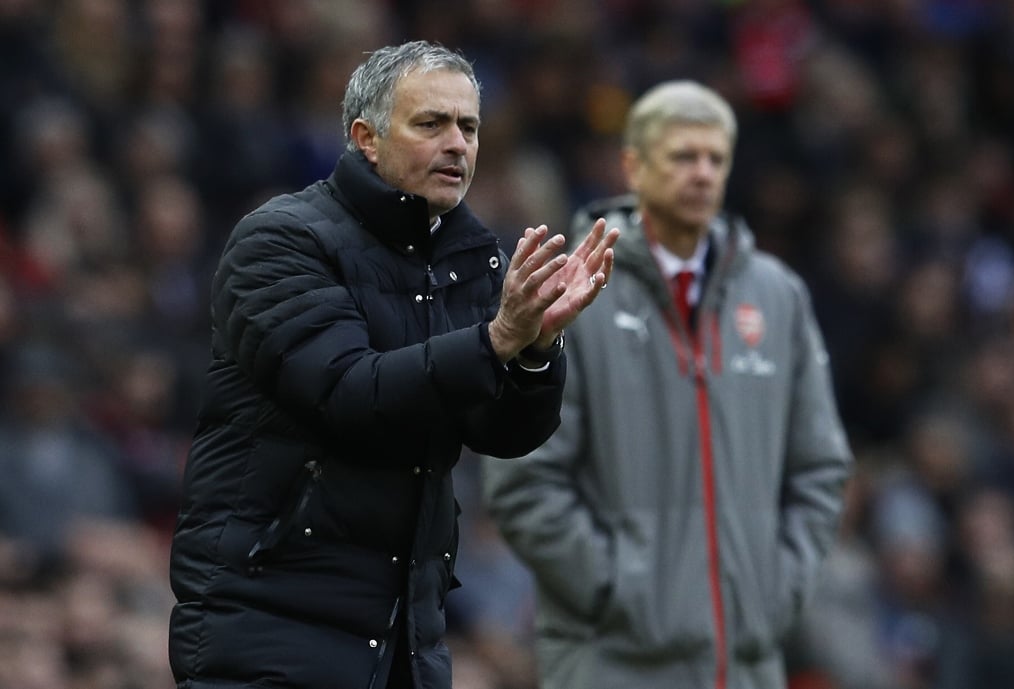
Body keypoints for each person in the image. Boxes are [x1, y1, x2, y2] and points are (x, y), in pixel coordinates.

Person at [167, 40, 617, 689]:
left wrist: (537, 349)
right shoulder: (280, 239)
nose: (457, 143)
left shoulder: (468, 256)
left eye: (468, 126)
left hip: (405, 636)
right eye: (431, 123)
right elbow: (351, 393)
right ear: (366, 138)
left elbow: (504, 431)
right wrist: (496, 341)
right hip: (271, 623)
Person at [481, 80, 853, 689]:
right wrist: (616, 590)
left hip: (745, 660)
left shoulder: (777, 295)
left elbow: (821, 468)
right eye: (683, 156)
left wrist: (774, 590)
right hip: (611, 661)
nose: (702, 173)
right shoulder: (571, 292)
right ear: (633, 165)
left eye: (716, 158)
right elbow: (524, 475)